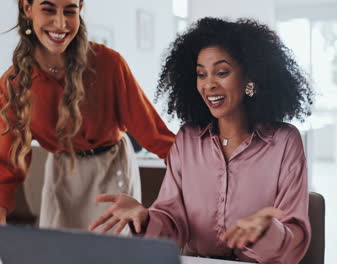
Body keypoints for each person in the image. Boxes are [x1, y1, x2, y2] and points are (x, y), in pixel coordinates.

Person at [89, 17, 312, 263]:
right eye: (201, 75)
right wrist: (145, 219)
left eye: (222, 72)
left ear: (250, 76)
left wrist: (268, 230)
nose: (209, 85)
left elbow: (295, 237)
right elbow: (173, 222)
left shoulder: (284, 142)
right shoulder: (187, 140)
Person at [0, 0, 175, 230]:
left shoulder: (108, 63)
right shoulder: (13, 83)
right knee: (59, 253)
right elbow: (7, 162)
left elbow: (154, 133)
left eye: (70, 11)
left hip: (112, 169)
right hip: (62, 174)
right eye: (48, 9)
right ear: (27, 8)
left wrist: (198, 177)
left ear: (80, 9)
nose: (61, 23)